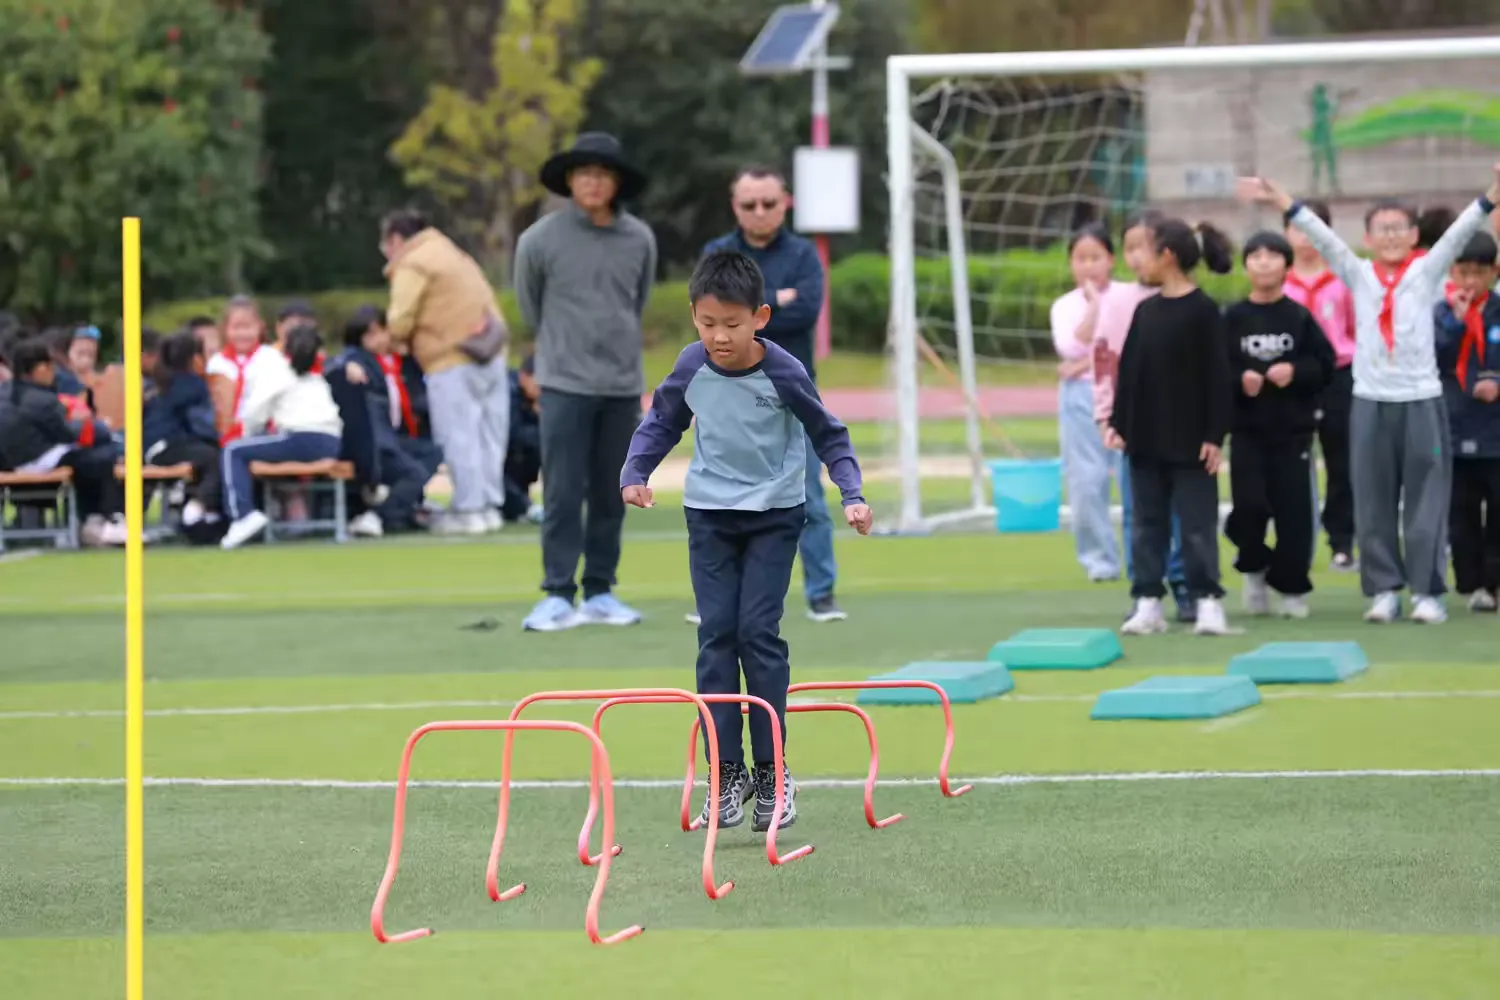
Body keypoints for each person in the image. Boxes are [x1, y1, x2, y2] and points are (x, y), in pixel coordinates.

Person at [619, 250, 872, 831]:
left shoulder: (783, 370)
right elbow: (662, 421)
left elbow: (828, 434)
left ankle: (774, 772)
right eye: (708, 325)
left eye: (731, 325)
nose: (720, 337)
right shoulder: (691, 366)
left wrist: (852, 493)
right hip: (709, 515)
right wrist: (636, 473)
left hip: (773, 515)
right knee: (717, 636)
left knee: (757, 634)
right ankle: (725, 771)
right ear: (694, 318)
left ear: (759, 317)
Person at [1246, 164, 1500, 623]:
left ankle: (1427, 591)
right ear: (1367, 237)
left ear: (1413, 235)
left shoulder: (1425, 270)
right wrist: (1284, 202)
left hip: (1420, 399)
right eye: (1380, 230)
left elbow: (1461, 233)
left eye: (1398, 229)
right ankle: (1384, 589)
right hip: (1370, 400)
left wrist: (1492, 195)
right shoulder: (1358, 274)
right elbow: (1323, 239)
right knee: (1373, 498)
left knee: (1426, 499)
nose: (1389, 237)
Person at [513, 132, 657, 631]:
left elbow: (635, 302)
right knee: (562, 491)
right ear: (570, 181)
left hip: (620, 385)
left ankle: (600, 589)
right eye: (584, 174)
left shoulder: (639, 238)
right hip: (564, 384)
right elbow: (530, 306)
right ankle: (557, 592)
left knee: (611, 489)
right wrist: (560, 348)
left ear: (616, 182)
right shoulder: (540, 240)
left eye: (602, 174)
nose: (593, 182)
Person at [699, 164, 844, 622]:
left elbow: (805, 312)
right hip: (727, 394)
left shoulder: (803, 254)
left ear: (785, 203)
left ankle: (821, 594)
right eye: (749, 204)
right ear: (734, 206)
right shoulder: (717, 252)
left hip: (791, 394)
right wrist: (774, 301)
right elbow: (711, 316)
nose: (759, 211)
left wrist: (746, 312)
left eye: (769, 203)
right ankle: (722, 601)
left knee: (807, 496)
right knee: (722, 499)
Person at [1106, 219, 1235, 636]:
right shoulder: (1146, 311)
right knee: (1147, 523)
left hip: (1192, 444)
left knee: (1197, 525)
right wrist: (1119, 423)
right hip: (1146, 440)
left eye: (1146, 250)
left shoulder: (1203, 312)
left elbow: (1218, 378)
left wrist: (1215, 436)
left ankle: (1207, 601)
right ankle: (1147, 602)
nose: (1138, 261)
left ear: (1168, 257)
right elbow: (1129, 373)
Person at [1224, 232, 1335, 619]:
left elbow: (1325, 365)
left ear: (1288, 266)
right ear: (1246, 266)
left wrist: (1295, 371)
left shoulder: (1299, 317)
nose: (1265, 262)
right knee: (1249, 508)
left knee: (1294, 514)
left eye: (1274, 255)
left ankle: (1292, 589)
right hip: (1247, 434)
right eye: (1255, 255)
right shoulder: (1232, 318)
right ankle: (1254, 568)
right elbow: (1215, 370)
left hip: (1293, 434)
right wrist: (1241, 379)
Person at [381, 209, 510, 536]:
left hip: (449, 360)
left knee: (458, 437)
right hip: (490, 354)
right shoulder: (456, 255)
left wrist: (394, 341)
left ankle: (468, 510)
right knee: (489, 436)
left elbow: (400, 318)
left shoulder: (415, 261)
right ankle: (489, 507)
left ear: (395, 239)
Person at [1091, 209, 1194, 621]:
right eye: (1129, 248)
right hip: (1135, 425)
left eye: (1145, 248)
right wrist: (1106, 417)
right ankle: (1145, 591)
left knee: (1185, 511)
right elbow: (1104, 360)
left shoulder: (1187, 298)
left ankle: (1187, 586)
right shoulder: (1116, 300)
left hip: (1181, 425)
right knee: (1139, 512)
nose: (1137, 258)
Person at [219, 324, 344, 550]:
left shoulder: (279, 370)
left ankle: (242, 516)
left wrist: (248, 432)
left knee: (233, 450)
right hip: (331, 442)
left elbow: (255, 412)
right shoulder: (317, 378)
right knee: (259, 446)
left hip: (300, 438)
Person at [1283, 198, 1357, 571]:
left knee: (1341, 461)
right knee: (1291, 463)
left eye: (1314, 228)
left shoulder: (1344, 280)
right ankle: (1296, 539)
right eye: (1298, 228)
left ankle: (1342, 541)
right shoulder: (1279, 283)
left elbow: (1357, 332)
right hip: (1291, 382)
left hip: (1338, 378)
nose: (1305, 237)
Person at [0, 338, 125, 546]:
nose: (53, 373)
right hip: (36, 460)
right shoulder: (43, 400)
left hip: (8, 463)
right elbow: (68, 434)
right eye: (51, 367)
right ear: (40, 369)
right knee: (102, 456)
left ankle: (95, 519)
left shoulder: (4, 392)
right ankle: (103, 518)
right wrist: (90, 425)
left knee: (90, 456)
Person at [1051, 223, 1123, 582]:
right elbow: (1073, 344)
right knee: (1086, 480)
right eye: (1081, 259)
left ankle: (1147, 556)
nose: (1089, 266)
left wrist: (1082, 363)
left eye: (1096, 257)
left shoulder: (1130, 295)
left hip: (1127, 392)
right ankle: (1100, 562)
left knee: (1134, 478)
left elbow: (1123, 346)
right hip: (1082, 397)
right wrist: (1094, 304)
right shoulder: (1065, 306)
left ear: (1111, 260)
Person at [326, 306, 434, 537]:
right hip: (375, 441)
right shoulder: (356, 359)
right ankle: (379, 516)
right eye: (371, 334)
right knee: (412, 473)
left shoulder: (396, 361)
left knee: (432, 453)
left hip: (398, 435)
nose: (379, 339)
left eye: (381, 331)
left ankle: (401, 508)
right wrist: (347, 367)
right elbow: (334, 365)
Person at [1434, 232, 1500, 611]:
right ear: (1452, 272)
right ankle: (1471, 583)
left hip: (1495, 429)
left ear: (1493, 272)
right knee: (1461, 511)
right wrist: (1457, 322)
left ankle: (1494, 581)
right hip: (1454, 425)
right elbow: (1434, 356)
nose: (1470, 282)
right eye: (1463, 272)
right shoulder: (1441, 313)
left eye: (1479, 273)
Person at [143, 331, 224, 539]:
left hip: (149, 448)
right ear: (196, 358)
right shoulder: (193, 384)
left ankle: (194, 508)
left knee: (203, 456)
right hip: (168, 446)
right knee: (216, 456)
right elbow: (202, 426)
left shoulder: (160, 381)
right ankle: (196, 509)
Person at [503, 353, 542, 524]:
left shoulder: (536, 398)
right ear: (524, 377)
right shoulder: (507, 393)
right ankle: (522, 505)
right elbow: (511, 433)